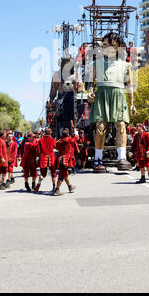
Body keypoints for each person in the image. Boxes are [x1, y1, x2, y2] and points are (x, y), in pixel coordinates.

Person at [87, 33, 136, 172]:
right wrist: (90, 90)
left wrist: (132, 103)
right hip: (102, 94)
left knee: (121, 126)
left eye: (109, 45)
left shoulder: (126, 65)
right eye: (104, 45)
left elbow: (130, 85)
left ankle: (122, 158)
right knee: (100, 127)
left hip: (119, 94)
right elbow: (91, 82)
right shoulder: (96, 64)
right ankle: (98, 159)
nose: (105, 47)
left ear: (118, 47)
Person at [54, 129, 76, 196]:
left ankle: (70, 187)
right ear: (67, 134)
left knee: (65, 174)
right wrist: (74, 133)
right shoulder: (68, 139)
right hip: (65, 160)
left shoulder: (59, 140)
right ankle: (57, 189)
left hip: (60, 159)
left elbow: (56, 146)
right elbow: (76, 138)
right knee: (61, 175)